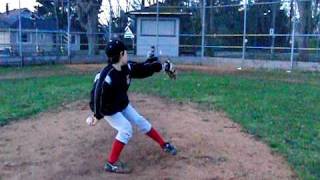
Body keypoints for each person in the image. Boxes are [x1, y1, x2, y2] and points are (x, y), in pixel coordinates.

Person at [87, 40, 177, 174]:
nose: (127, 55)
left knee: (140, 121)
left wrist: (162, 66)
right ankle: (111, 163)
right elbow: (97, 96)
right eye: (126, 52)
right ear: (121, 54)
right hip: (109, 109)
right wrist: (96, 115)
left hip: (121, 103)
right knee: (126, 129)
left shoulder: (126, 68)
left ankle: (164, 144)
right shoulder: (106, 76)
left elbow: (143, 68)